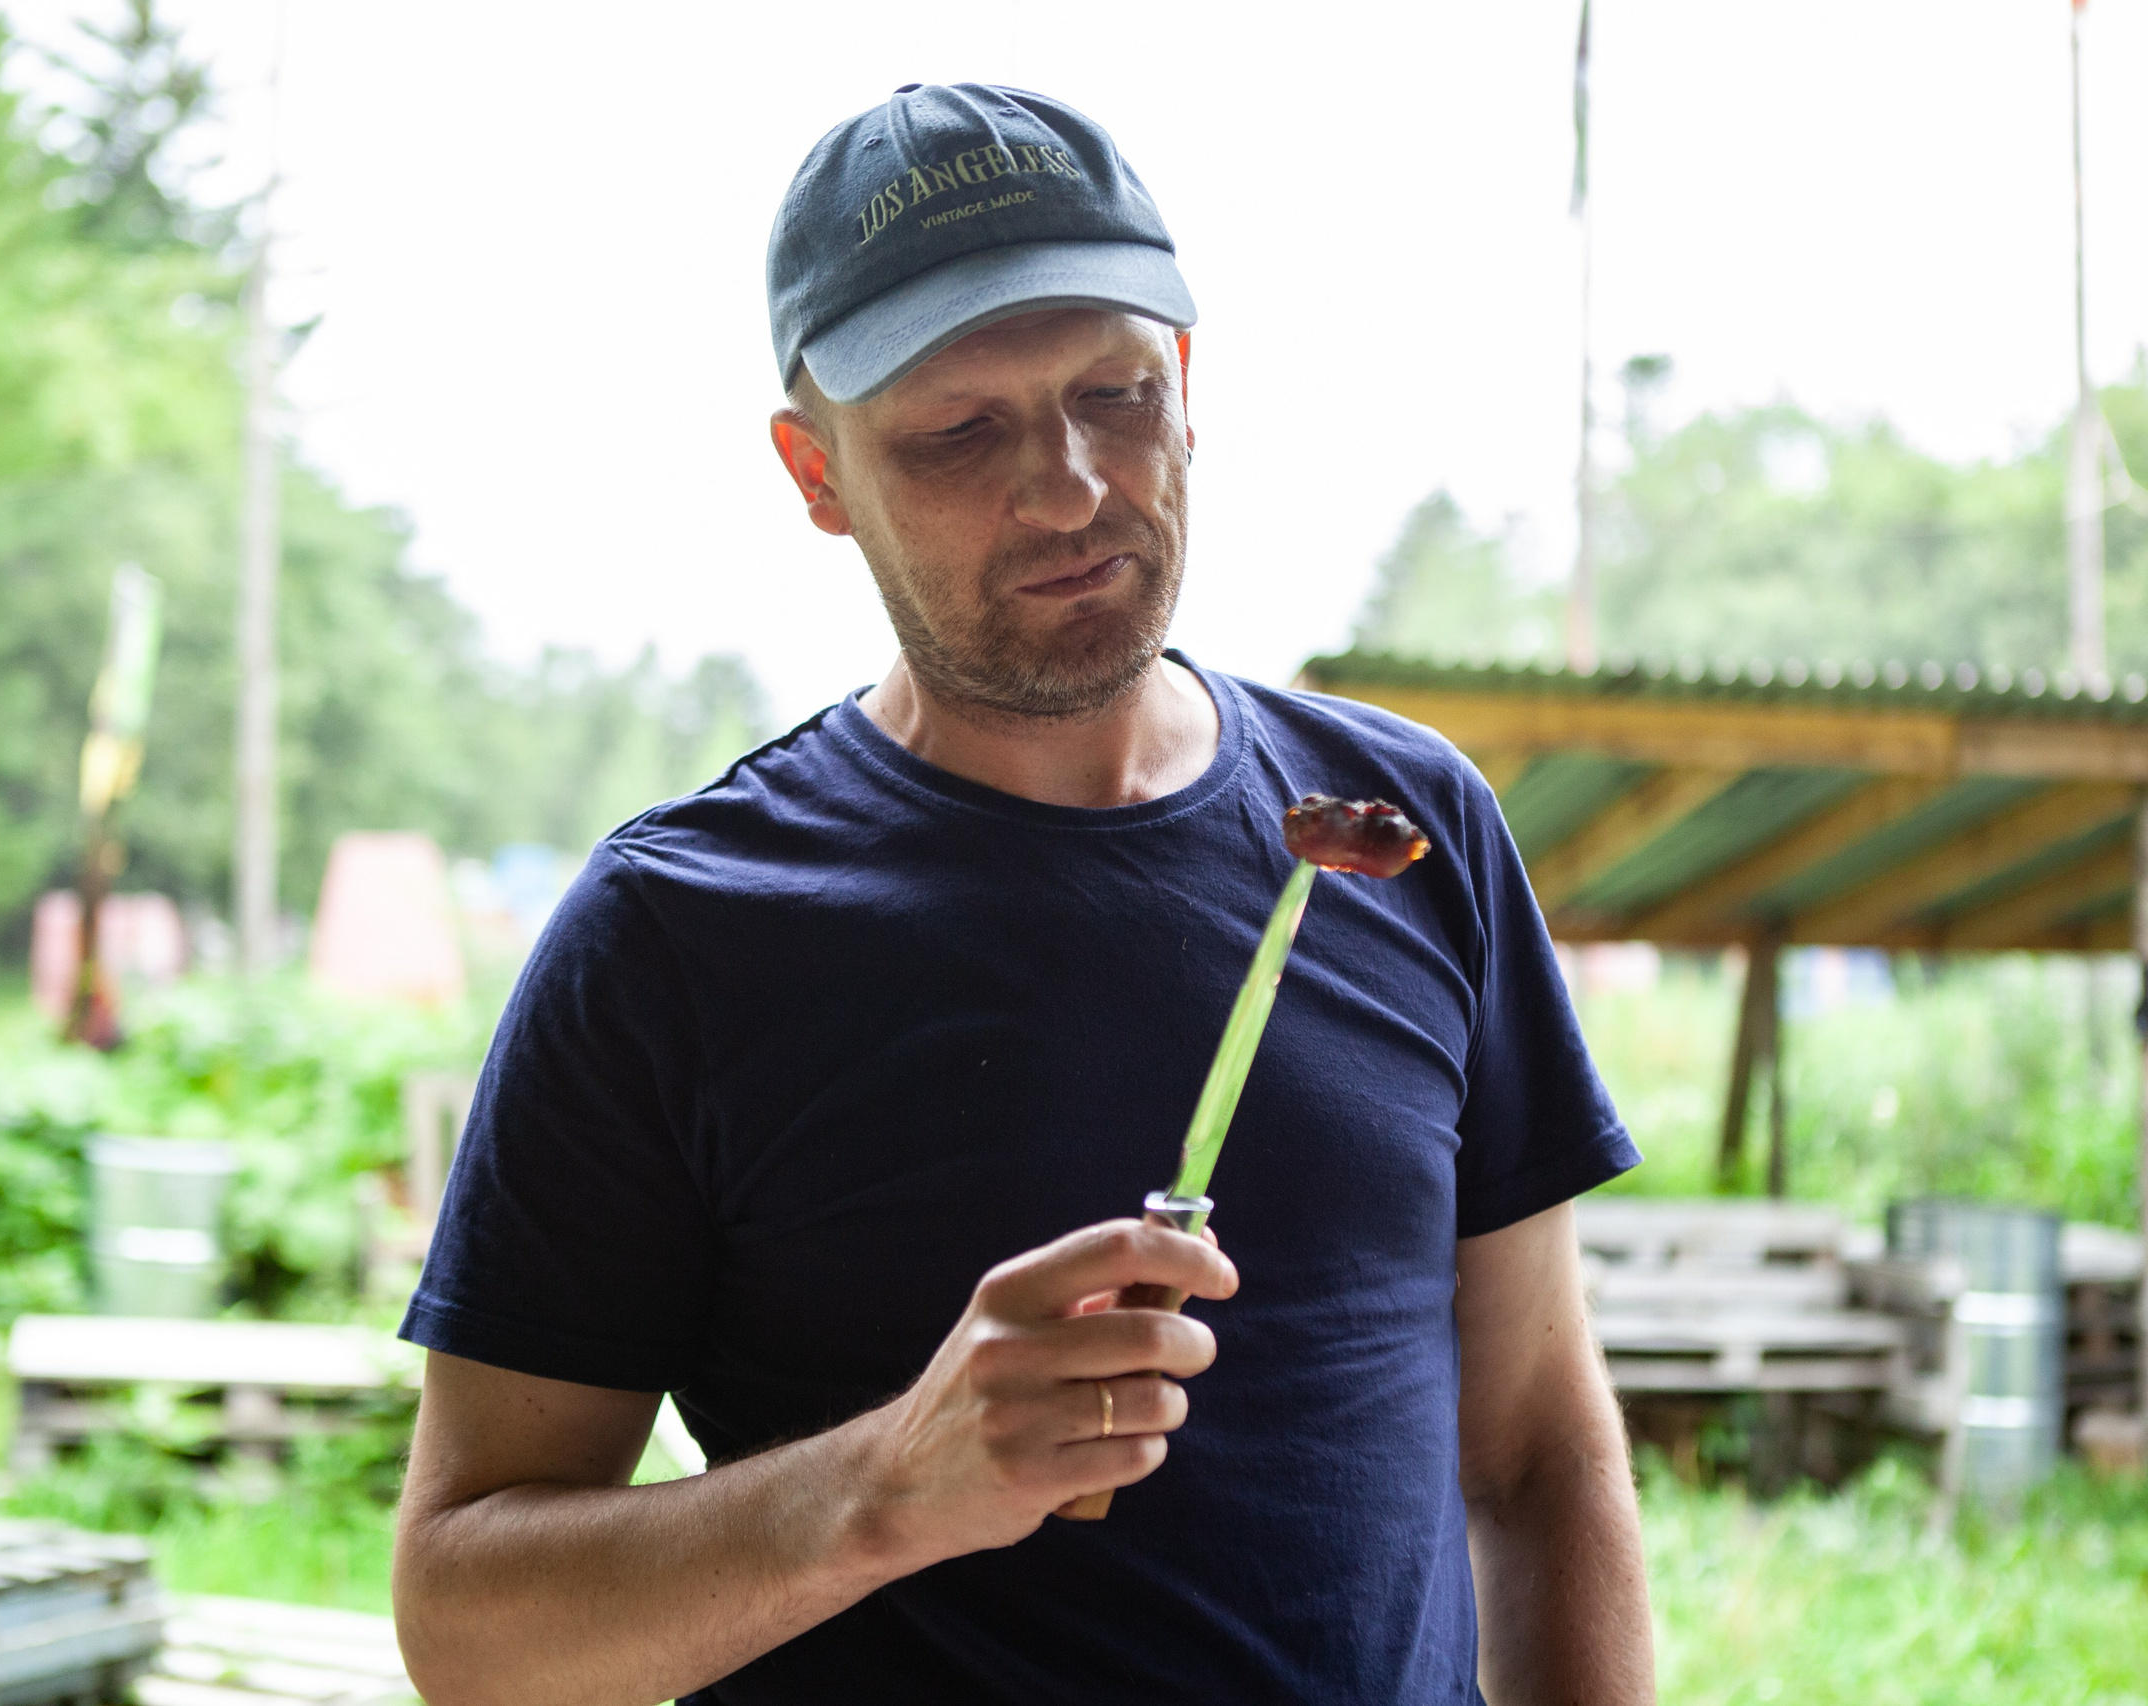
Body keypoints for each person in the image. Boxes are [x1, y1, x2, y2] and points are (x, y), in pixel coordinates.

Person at [391, 83, 1654, 1706]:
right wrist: (883, 1491)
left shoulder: (1410, 829)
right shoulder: (674, 934)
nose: (1066, 485)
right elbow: (463, 1626)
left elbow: (1537, 1443)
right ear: (817, 470)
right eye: (956, 432)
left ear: (1189, 388)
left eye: (1114, 391)